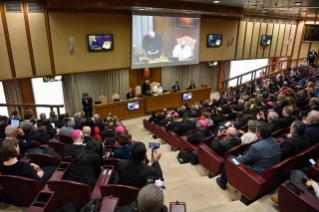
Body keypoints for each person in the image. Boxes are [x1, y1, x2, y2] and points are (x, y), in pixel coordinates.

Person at [216, 122, 281, 190]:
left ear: (258, 134)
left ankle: (222, 181)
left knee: (230, 158)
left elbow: (243, 161)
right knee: (245, 153)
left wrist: (240, 158)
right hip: (266, 167)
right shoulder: (274, 140)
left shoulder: (256, 147)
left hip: (255, 173)